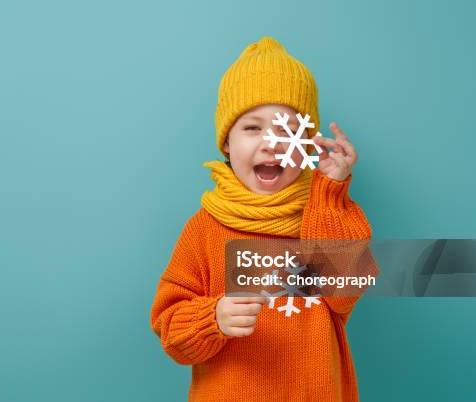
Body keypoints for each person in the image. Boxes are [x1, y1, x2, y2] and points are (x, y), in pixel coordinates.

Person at [150, 36, 372, 402]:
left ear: (309, 144)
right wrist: (213, 318)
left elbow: (344, 296)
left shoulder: (331, 215)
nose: (272, 143)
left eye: (288, 131)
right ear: (226, 142)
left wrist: (330, 193)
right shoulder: (204, 228)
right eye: (252, 128)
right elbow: (171, 331)